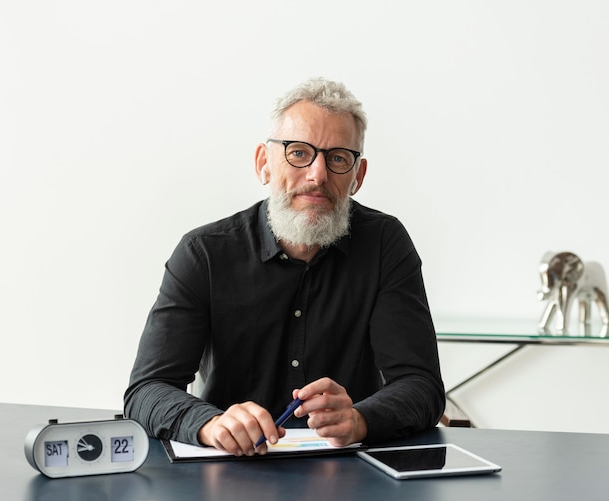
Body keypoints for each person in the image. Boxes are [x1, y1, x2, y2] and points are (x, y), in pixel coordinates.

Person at [124, 77, 445, 457]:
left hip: (348, 469)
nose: (318, 175)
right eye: (298, 152)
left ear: (357, 177)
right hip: (231, 469)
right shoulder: (204, 253)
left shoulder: (384, 244)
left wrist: (361, 418)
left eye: (338, 158)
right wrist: (210, 423)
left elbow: (421, 385)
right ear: (264, 163)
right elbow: (147, 390)